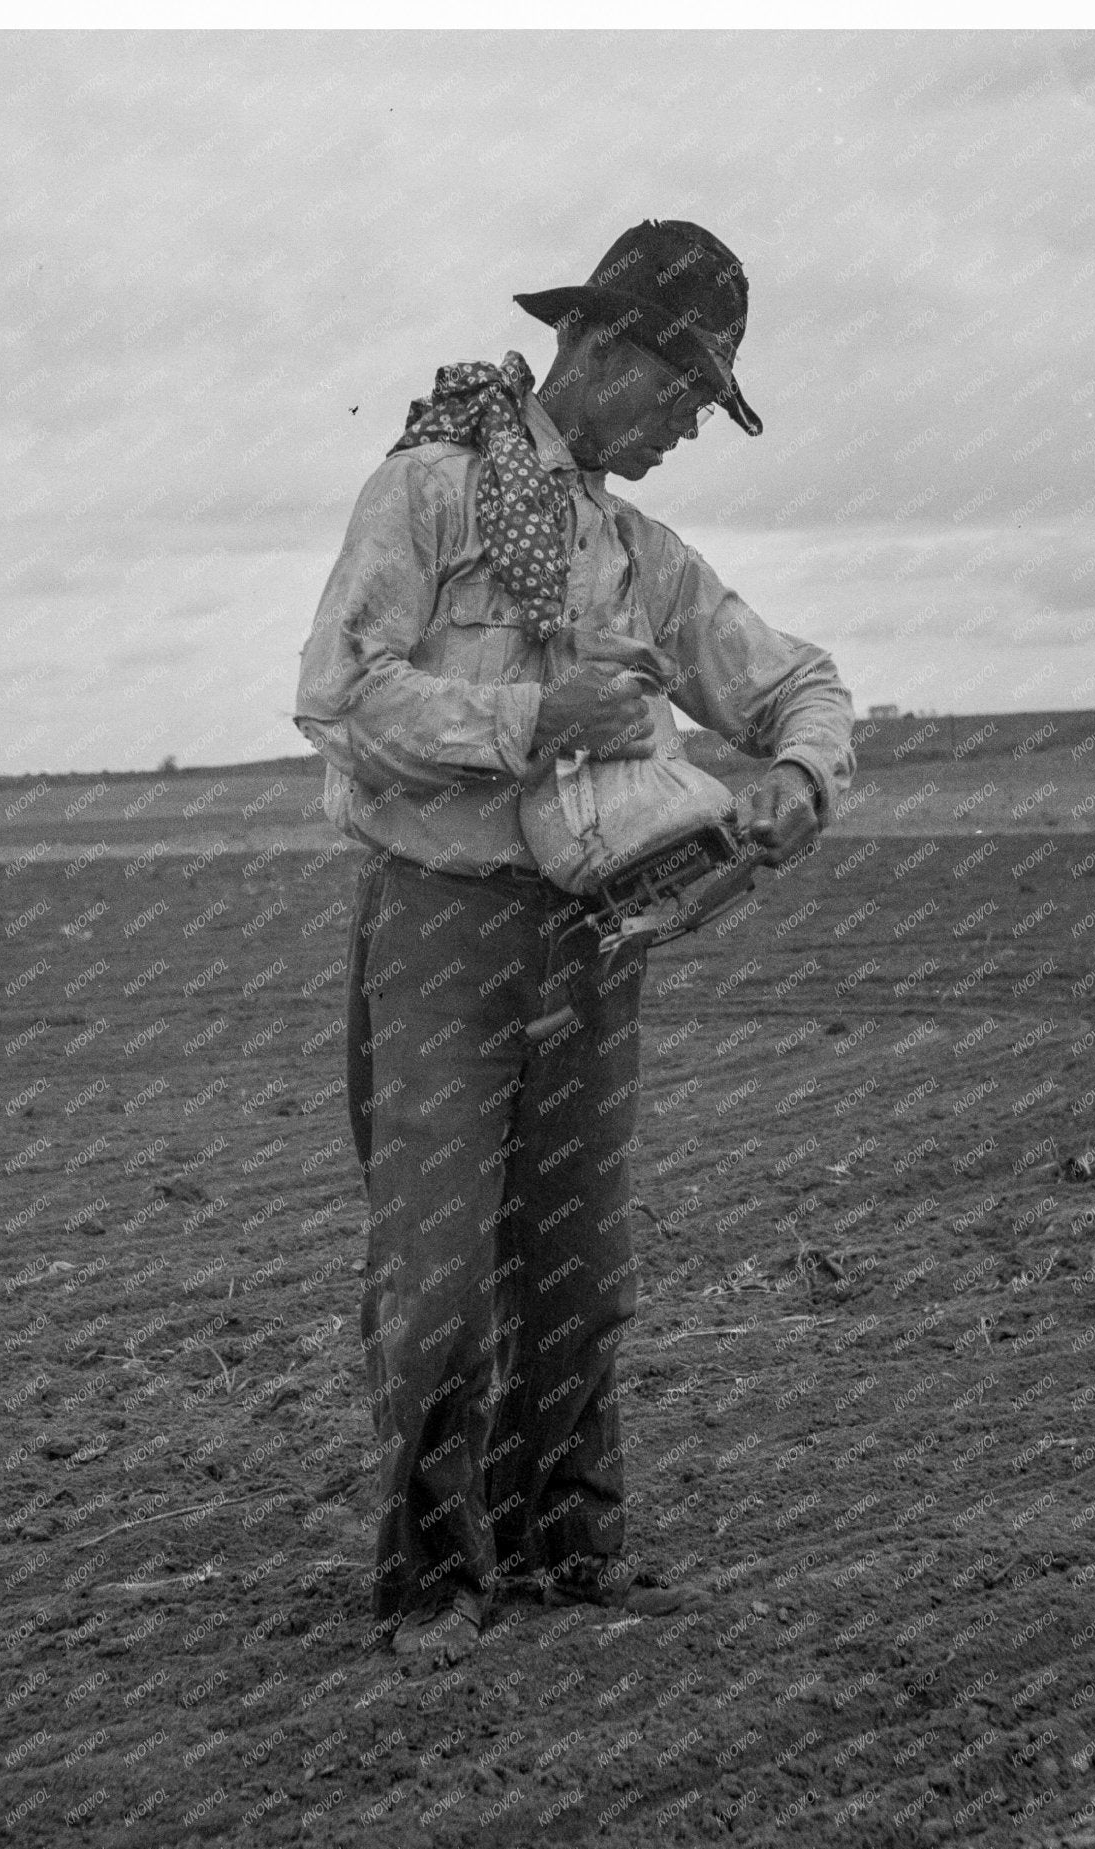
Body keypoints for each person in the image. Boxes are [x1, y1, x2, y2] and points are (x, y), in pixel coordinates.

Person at [294, 219, 856, 1667]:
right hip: (439, 928)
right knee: (437, 1278)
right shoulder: (425, 493)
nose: (685, 431)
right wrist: (531, 724)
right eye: (684, 396)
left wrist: (799, 777)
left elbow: (798, 682)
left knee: (579, 1269)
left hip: (595, 943)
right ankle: (431, 1583)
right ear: (607, 349)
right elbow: (340, 692)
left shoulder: (638, 558)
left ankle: (564, 1555)